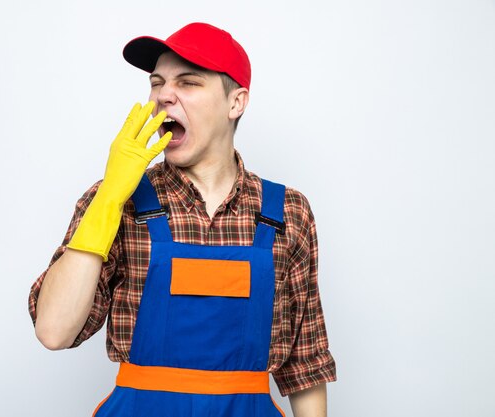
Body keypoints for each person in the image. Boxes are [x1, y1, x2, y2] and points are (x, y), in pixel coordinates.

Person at [28, 22, 336, 417]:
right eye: (157, 83)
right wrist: (108, 199)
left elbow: (305, 364)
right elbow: (54, 331)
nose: (164, 96)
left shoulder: (287, 213)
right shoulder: (116, 202)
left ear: (235, 102)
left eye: (188, 82)